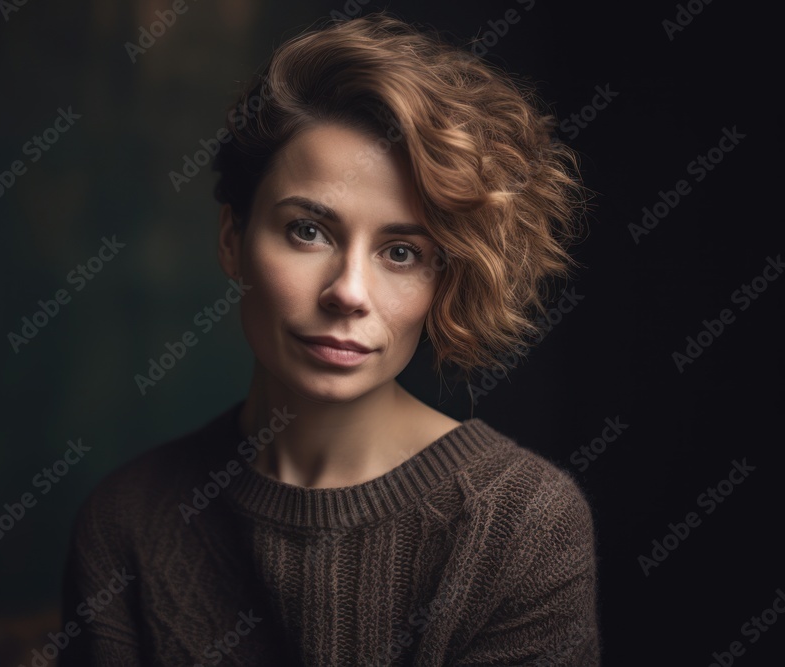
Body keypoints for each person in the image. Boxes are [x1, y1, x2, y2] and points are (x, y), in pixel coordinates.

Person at [61, 11, 599, 666]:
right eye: (308, 231)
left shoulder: (524, 524)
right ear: (232, 239)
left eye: (401, 252)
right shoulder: (128, 524)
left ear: (443, 278)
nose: (348, 291)